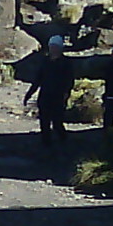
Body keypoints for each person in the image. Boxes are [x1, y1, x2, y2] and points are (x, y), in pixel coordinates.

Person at [24, 32, 75, 161]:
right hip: (45, 96)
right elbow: (38, 79)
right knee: (44, 122)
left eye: (56, 46)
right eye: (52, 46)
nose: (54, 48)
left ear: (60, 48)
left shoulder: (66, 63)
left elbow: (69, 81)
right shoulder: (45, 62)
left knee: (57, 122)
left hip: (58, 96)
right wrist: (29, 94)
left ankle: (64, 143)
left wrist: (66, 95)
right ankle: (46, 146)